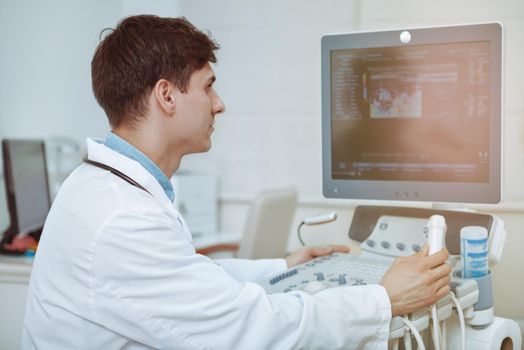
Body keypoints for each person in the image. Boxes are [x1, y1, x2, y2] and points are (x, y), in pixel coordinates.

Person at [21, 15, 451, 349]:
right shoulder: (121, 219)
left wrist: (285, 269)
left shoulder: (107, 188)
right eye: (208, 87)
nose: (219, 104)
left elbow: (190, 281)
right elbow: (248, 330)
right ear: (166, 96)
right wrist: (383, 299)